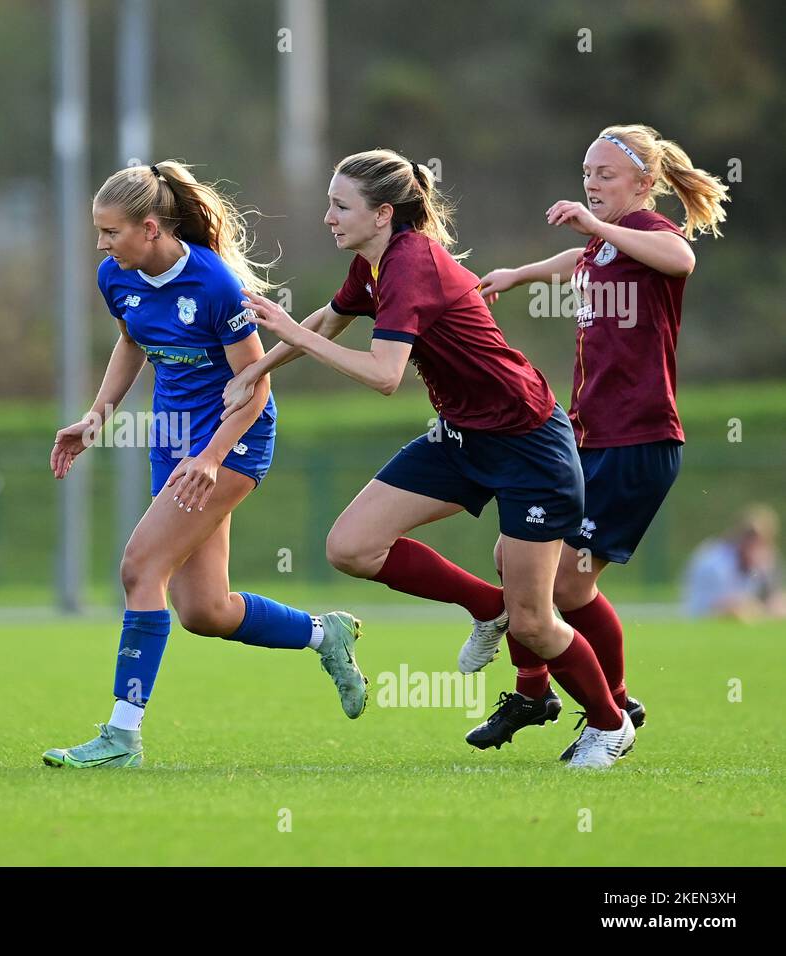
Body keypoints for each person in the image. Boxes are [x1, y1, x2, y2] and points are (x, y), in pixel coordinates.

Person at [225, 149, 632, 768]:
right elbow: (330, 322)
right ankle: (483, 604)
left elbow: (385, 375)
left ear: (383, 213)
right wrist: (258, 369)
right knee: (352, 547)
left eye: (341, 206)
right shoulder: (373, 262)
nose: (327, 216)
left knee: (535, 624)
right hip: (462, 437)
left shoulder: (410, 263)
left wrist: (290, 333)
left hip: (529, 447)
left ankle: (609, 725)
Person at [42, 161, 367, 770]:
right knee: (205, 612)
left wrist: (212, 458)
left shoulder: (215, 285)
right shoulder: (117, 276)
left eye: (111, 232)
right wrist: (98, 416)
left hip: (231, 444)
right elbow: (132, 340)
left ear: (149, 227)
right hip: (171, 443)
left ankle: (121, 736)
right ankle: (328, 636)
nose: (102, 245)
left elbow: (257, 389)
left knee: (141, 568)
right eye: (98, 233)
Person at [465, 124, 729, 757]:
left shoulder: (653, 238)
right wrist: (520, 273)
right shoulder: (605, 249)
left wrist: (597, 226)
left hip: (637, 441)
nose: (591, 182)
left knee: (567, 588)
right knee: (513, 557)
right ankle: (546, 693)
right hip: (587, 439)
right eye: (587, 172)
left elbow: (681, 258)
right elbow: (581, 261)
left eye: (605, 174)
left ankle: (611, 710)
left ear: (645, 183)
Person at [685, 505, 785, 619]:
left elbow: (774, 598)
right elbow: (723, 606)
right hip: (703, 618)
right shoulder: (715, 561)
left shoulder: (764, 559)